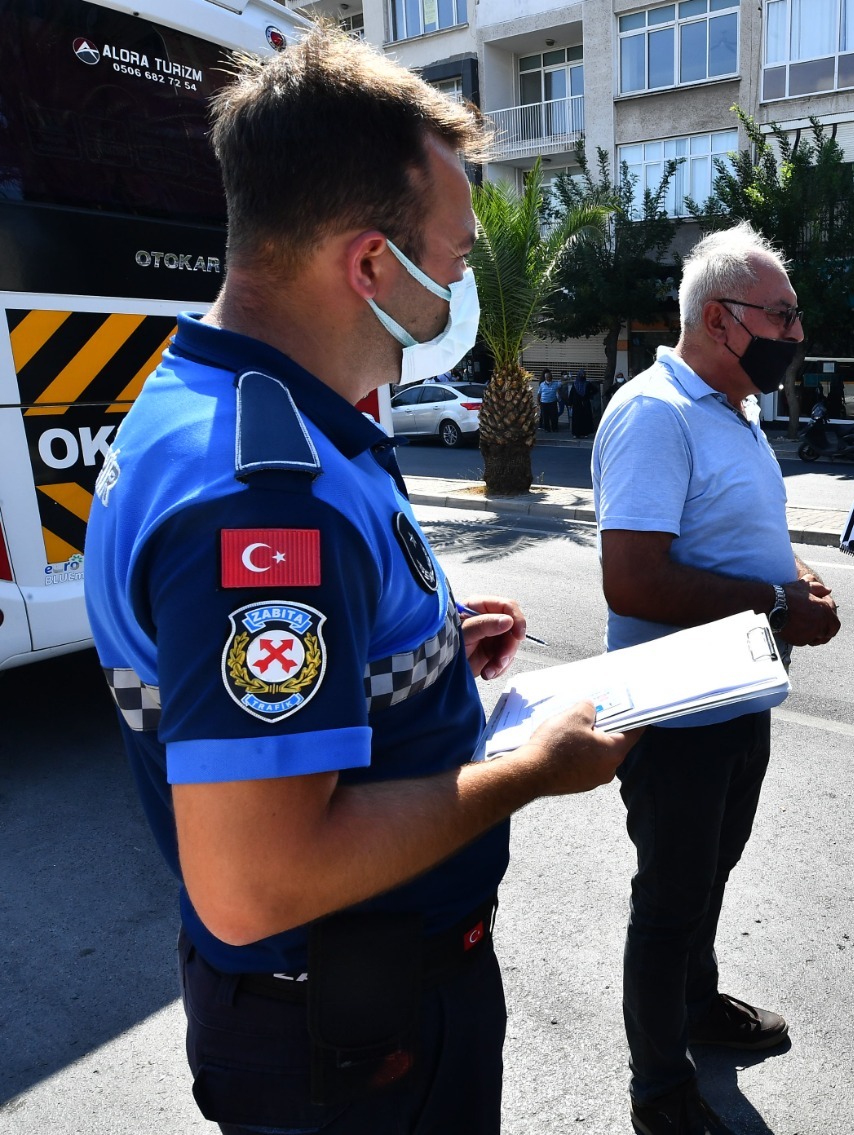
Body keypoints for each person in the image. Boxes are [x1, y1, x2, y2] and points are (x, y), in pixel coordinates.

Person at [81, 27, 635, 1134]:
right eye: (459, 255)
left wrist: (423, 656)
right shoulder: (263, 493)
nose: (462, 283)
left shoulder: (250, 407)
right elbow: (258, 881)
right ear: (373, 263)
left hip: (353, 1007)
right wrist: (529, 768)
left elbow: (302, 675)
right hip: (350, 1041)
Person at [592, 222, 842, 1135]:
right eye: (782, 315)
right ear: (721, 317)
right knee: (669, 899)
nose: (797, 334)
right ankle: (658, 1090)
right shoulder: (654, 411)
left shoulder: (729, 407)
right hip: (676, 712)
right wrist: (777, 604)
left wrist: (788, 579)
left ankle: (696, 1007)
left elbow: (726, 540)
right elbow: (635, 577)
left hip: (736, 698)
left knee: (709, 878)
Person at [570, 370, 596, 438]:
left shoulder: (587, 384)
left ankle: (585, 433)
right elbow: (571, 394)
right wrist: (570, 403)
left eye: (583, 375)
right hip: (577, 404)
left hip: (585, 403)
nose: (582, 376)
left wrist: (589, 395)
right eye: (581, 375)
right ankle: (576, 433)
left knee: (585, 418)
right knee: (576, 419)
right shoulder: (575, 384)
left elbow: (595, 390)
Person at [538, 368, 560, 432]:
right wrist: (538, 402)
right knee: (545, 417)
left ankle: (554, 428)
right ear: (545, 378)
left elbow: (561, 385)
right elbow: (539, 393)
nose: (550, 378)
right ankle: (547, 429)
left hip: (552, 402)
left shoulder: (555, 384)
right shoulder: (542, 384)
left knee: (554, 416)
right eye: (548, 377)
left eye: (550, 377)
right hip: (544, 403)